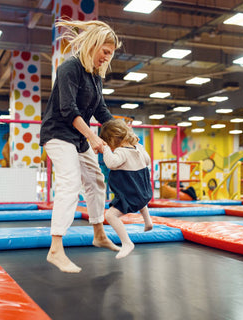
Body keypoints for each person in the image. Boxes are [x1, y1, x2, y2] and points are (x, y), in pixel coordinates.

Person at [39, 19, 122, 273]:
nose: (107, 58)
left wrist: (124, 135)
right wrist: (94, 138)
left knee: (96, 181)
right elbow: (68, 110)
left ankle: (99, 234)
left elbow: (101, 110)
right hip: (57, 133)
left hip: (76, 137)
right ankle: (55, 249)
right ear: (93, 45)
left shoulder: (95, 77)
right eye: (105, 52)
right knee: (71, 182)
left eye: (111, 54)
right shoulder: (69, 68)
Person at [99, 118, 153, 259]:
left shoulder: (121, 152)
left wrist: (105, 149)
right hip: (145, 193)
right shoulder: (139, 148)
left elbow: (111, 163)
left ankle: (127, 242)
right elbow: (147, 160)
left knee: (110, 215)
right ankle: (148, 221)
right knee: (141, 201)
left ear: (112, 139)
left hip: (131, 195)